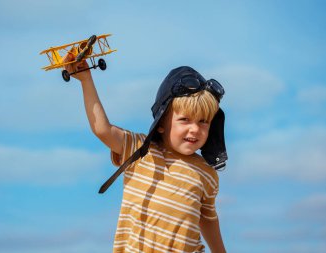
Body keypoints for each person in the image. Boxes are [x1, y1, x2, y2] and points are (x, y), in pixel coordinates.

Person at [64, 56, 227, 253]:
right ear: (161, 124)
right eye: (185, 120)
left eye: (203, 122)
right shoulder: (139, 149)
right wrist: (86, 80)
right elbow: (103, 130)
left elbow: (208, 219)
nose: (195, 129)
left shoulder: (207, 173)